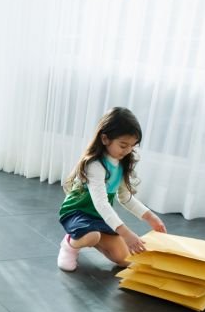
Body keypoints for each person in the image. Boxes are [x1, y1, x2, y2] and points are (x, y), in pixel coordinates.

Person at [56, 107, 167, 272]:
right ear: (105, 139)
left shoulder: (120, 163)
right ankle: (70, 244)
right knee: (92, 236)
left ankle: (93, 238)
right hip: (77, 212)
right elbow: (101, 204)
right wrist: (126, 234)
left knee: (124, 260)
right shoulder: (95, 165)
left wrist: (151, 217)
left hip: (99, 218)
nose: (128, 150)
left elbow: (125, 198)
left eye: (132, 146)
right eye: (123, 145)